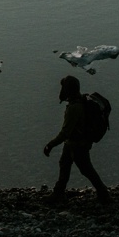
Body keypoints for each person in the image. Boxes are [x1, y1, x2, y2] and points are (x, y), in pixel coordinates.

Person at [43, 75, 111, 205]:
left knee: (86, 169)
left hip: (78, 145)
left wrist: (50, 145)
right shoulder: (80, 101)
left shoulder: (75, 108)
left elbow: (65, 132)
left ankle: (104, 194)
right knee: (64, 165)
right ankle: (58, 193)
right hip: (72, 143)